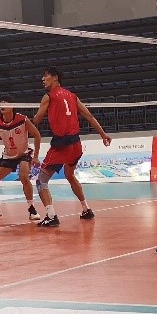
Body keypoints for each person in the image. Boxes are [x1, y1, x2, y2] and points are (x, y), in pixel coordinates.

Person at [31, 67, 111, 227]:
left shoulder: (48, 96)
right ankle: (86, 209)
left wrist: (30, 120)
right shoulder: (72, 96)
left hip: (62, 145)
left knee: (41, 180)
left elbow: (37, 120)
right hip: (76, 145)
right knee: (70, 174)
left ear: (55, 78)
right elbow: (89, 115)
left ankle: (51, 216)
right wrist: (103, 134)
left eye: (46, 76)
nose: (43, 79)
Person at [0, 101, 42, 223]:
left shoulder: (22, 119)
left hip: (24, 154)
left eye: (5, 104)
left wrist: (36, 156)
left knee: (24, 177)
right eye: (0, 104)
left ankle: (31, 208)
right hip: (8, 156)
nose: (2, 106)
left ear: (12, 106)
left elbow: (37, 135)